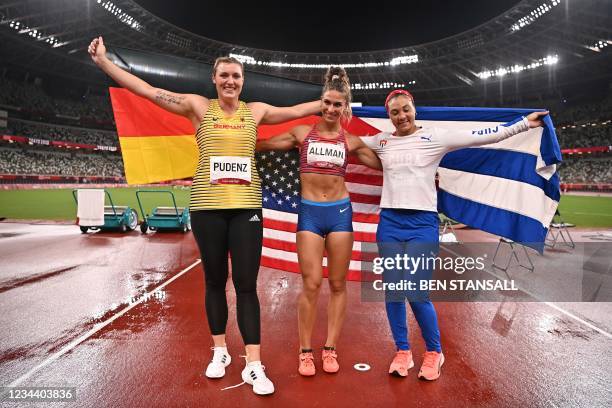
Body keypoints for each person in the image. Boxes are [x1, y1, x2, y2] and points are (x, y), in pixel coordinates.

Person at [88, 36, 321, 395]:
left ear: (243, 81)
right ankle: (220, 352)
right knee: (214, 281)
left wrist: (325, 102)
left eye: (236, 76)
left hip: (246, 208)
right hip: (207, 207)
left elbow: (295, 112)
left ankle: (255, 365)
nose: (231, 81)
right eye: (224, 75)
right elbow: (150, 92)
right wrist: (105, 63)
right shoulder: (198, 106)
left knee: (246, 285)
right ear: (214, 79)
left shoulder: (254, 111)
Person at [362, 89, 548, 380]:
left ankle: (434, 352)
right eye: (395, 112)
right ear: (389, 116)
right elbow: (343, 140)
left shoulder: (435, 137)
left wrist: (525, 123)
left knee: (415, 290)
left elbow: (485, 135)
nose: (401, 116)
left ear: (414, 109)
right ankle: (403, 351)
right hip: (389, 223)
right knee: (393, 292)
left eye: (406, 109)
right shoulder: (381, 141)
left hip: (421, 223)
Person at [256, 67, 381, 376]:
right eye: (326, 102)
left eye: (337, 104)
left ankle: (330, 348)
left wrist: (420, 170)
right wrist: (229, 141)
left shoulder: (350, 141)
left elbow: (387, 167)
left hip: (340, 214)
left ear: (345, 107)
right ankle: (305, 351)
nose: (330, 109)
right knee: (311, 284)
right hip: (310, 214)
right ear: (320, 102)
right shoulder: (302, 134)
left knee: (338, 284)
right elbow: (264, 145)